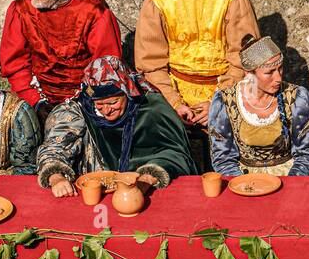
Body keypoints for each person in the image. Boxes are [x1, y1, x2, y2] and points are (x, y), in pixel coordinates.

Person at [135, 0, 259, 127]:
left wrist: (218, 102)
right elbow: (151, 64)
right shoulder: (159, 1)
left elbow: (244, 59)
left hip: (226, 92)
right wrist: (175, 104)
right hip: (172, 96)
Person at [36, 56, 201, 197]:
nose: (106, 110)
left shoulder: (152, 109)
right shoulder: (76, 111)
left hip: (147, 190)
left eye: (113, 102)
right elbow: (54, 147)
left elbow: (176, 153)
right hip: (93, 191)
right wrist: (56, 177)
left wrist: (147, 178)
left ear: (128, 93)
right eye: (99, 104)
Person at [0, 0, 121, 123]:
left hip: (85, 96)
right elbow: (15, 64)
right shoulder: (22, 8)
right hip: (35, 94)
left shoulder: (94, 11)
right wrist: (36, 101)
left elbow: (106, 65)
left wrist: (84, 101)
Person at [208, 35, 309, 177]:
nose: (278, 78)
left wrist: (291, 183)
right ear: (249, 73)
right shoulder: (225, 101)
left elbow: (307, 154)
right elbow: (223, 159)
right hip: (243, 178)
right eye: (269, 72)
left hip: (288, 176)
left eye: (280, 69)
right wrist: (243, 185)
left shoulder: (297, 98)